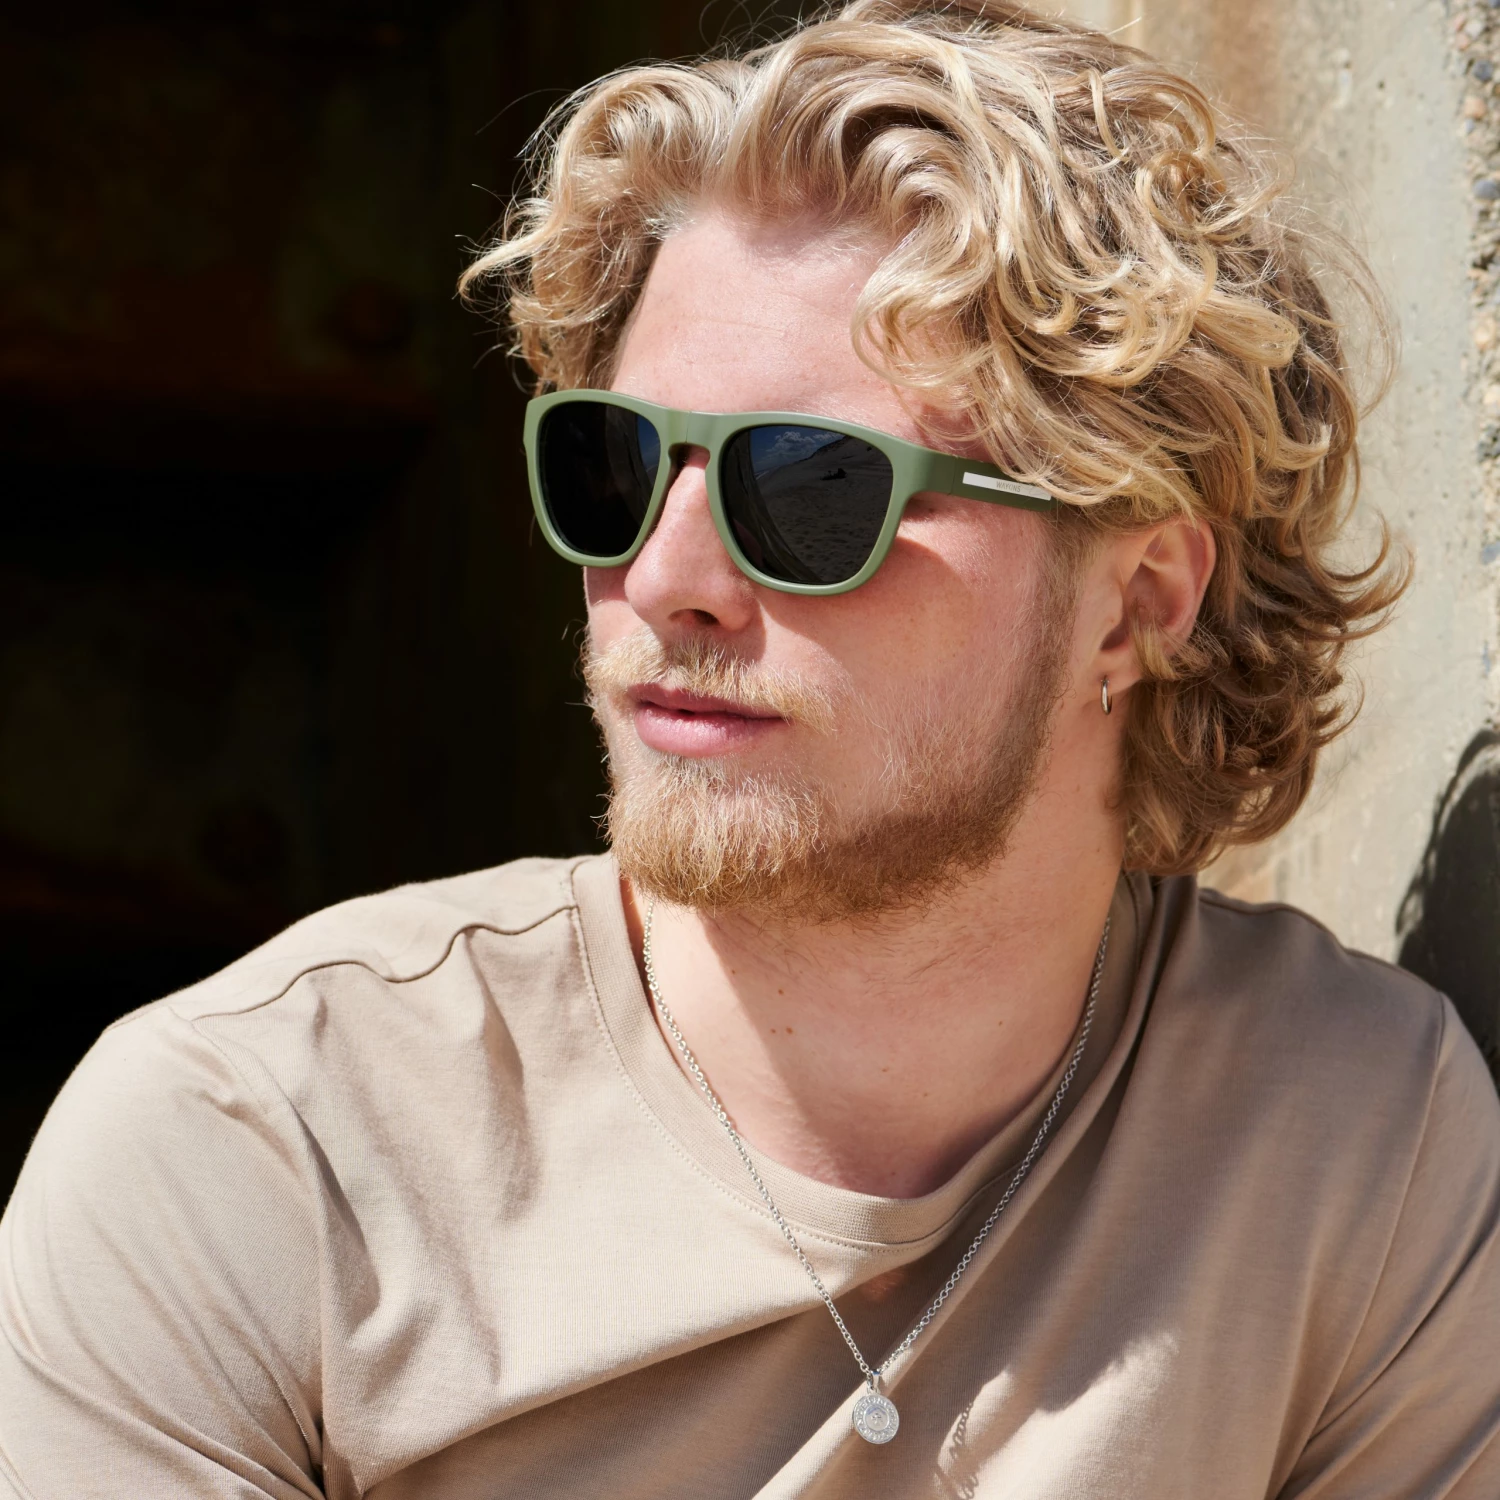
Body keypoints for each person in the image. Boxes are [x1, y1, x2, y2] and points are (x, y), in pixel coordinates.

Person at [3, 2, 1498, 1495]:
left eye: (812, 489)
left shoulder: (1355, 1143)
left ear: (1139, 603)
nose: (664, 578)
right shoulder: (263, 1152)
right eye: (614, 464)